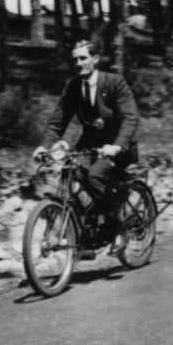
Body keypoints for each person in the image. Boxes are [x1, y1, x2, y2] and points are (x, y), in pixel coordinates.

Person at [33, 39, 140, 248]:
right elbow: (58, 121)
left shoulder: (114, 83)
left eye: (83, 58)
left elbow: (130, 118)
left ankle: (117, 227)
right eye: (76, 59)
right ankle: (88, 228)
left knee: (94, 175)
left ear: (95, 59)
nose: (79, 63)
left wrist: (117, 145)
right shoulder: (73, 88)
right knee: (73, 171)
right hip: (90, 147)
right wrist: (44, 146)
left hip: (118, 148)